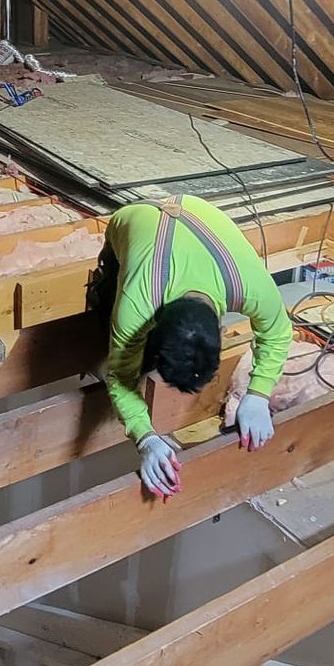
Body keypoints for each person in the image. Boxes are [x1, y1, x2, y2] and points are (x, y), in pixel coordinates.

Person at [88, 195, 293, 498]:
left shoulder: (250, 285)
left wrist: (258, 393)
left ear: (222, 330)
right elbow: (119, 377)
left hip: (197, 211)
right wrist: (145, 438)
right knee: (106, 325)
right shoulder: (136, 305)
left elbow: (278, 332)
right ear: (150, 330)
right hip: (131, 218)